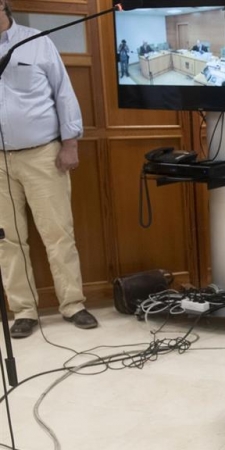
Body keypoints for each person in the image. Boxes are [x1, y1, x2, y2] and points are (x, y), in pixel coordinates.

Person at [0, 0, 99, 339]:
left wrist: (70, 142)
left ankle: (73, 304)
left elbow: (64, 93)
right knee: (8, 240)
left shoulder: (37, 40)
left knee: (58, 233)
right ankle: (23, 311)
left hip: (42, 153)